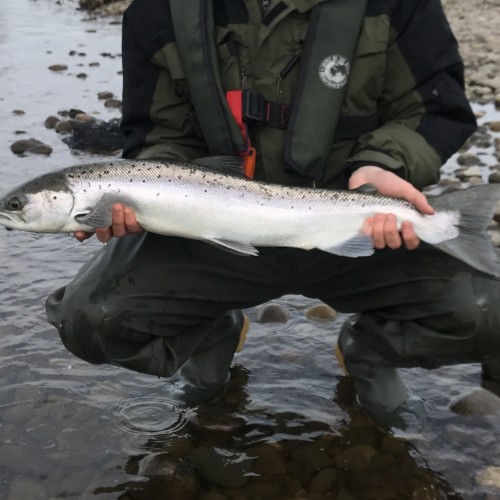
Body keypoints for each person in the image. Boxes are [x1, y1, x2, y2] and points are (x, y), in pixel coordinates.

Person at [46, 0, 500, 430]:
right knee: (87, 318)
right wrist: (140, 201)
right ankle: (207, 334)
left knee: (490, 311)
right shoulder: (158, 9)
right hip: (209, 233)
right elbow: (157, 134)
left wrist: (383, 166)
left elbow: (434, 109)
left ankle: (372, 351)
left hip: (351, 222)